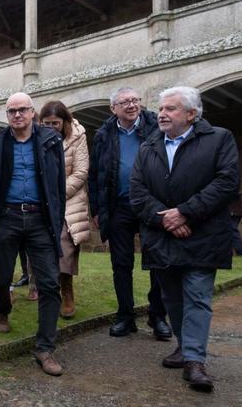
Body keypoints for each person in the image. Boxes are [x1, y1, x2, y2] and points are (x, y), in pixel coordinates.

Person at [130, 86, 239, 393]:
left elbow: (227, 182)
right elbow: (137, 192)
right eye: (161, 108)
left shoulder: (219, 139)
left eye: (171, 109)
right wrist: (166, 218)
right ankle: (183, 347)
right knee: (172, 298)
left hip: (203, 235)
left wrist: (186, 213)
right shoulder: (148, 146)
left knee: (197, 297)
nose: (162, 114)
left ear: (192, 114)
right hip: (163, 236)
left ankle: (195, 360)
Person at [0, 92, 66, 376]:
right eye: (11, 111)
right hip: (8, 217)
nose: (17, 115)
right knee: (1, 278)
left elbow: (58, 185)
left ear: (32, 113)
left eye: (22, 110)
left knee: (50, 283)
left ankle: (45, 348)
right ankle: (1, 309)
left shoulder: (50, 142)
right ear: (7, 116)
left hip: (40, 219)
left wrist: (56, 218)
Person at [88, 87, 172, 340]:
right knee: (121, 264)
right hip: (119, 206)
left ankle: (158, 316)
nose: (132, 105)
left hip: (152, 204)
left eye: (135, 100)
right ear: (113, 108)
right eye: (125, 102)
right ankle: (125, 316)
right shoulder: (104, 134)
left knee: (158, 261)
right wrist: (97, 209)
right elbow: (95, 175)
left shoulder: (156, 127)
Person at [38, 101, 90, 319]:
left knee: (65, 247)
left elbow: (81, 172)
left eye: (56, 123)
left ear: (65, 121)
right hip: (42, 201)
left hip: (69, 201)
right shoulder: (37, 137)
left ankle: (67, 291)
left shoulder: (78, 136)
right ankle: (47, 292)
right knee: (42, 248)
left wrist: (57, 194)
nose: (51, 127)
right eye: (47, 123)